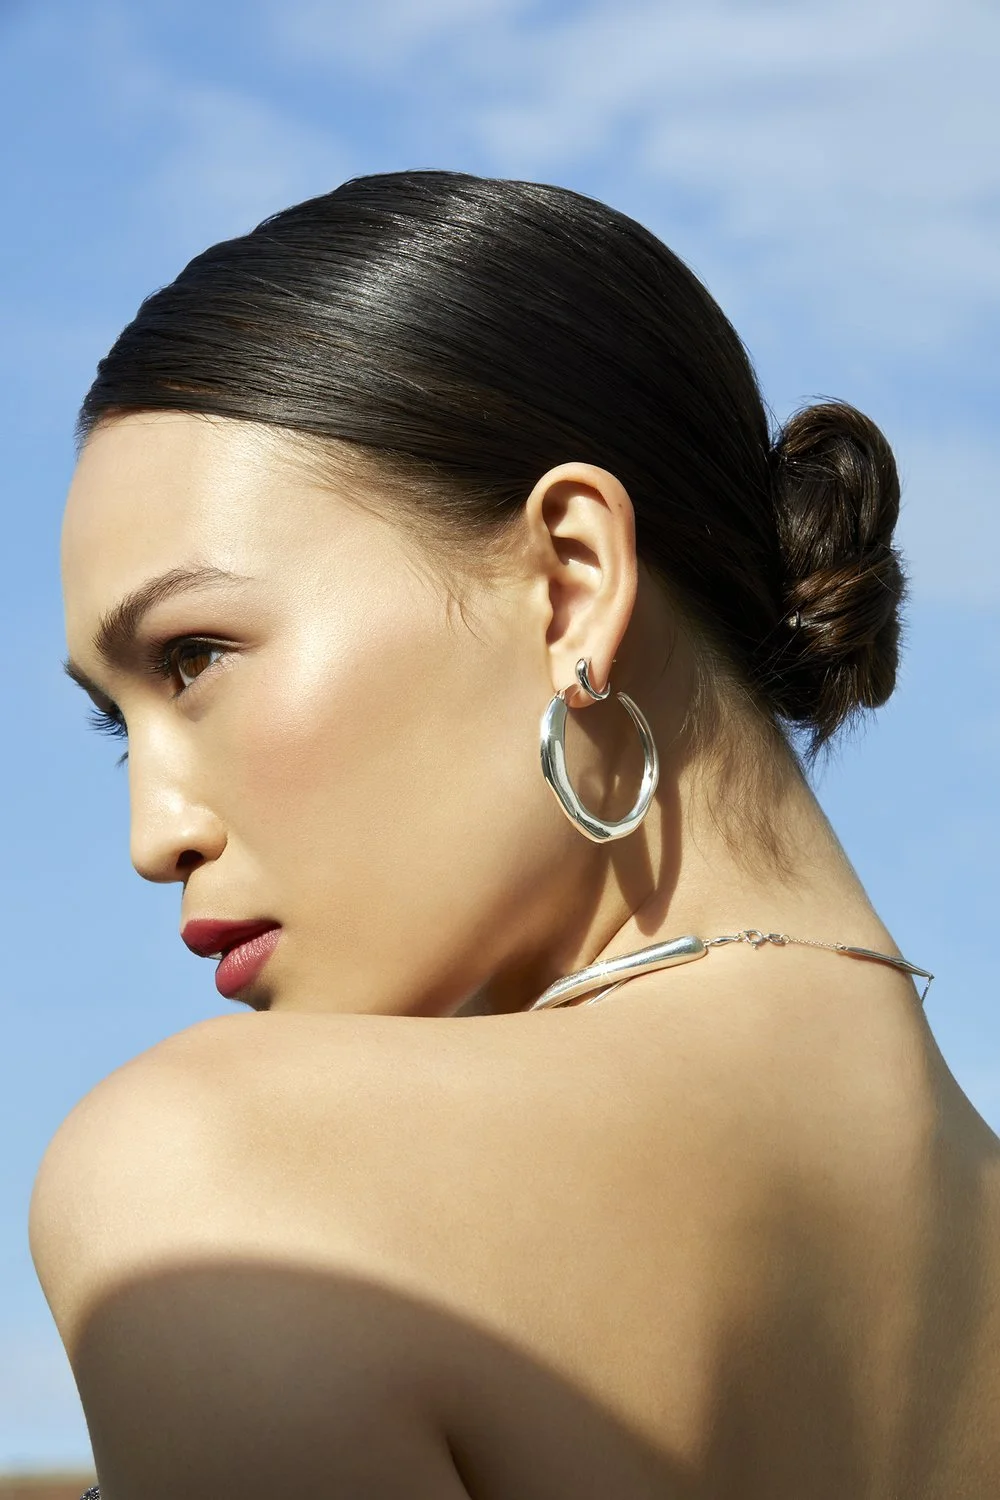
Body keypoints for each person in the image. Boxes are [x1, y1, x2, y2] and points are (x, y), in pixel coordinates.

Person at [30, 170, 999, 1499]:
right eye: (118, 726)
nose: (155, 835)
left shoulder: (227, 1186)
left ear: (570, 583)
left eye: (194, 656)